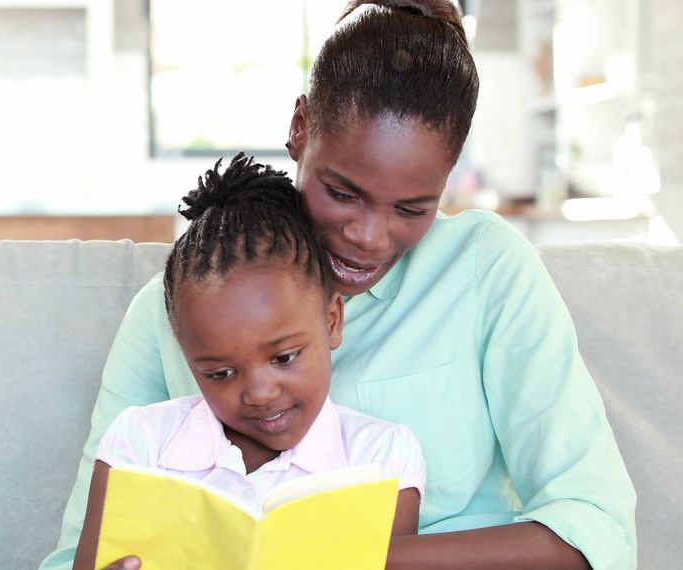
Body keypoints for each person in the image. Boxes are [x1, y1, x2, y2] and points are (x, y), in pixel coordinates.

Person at [42, 1, 637, 568]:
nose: (369, 237)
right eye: (343, 193)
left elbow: (595, 528)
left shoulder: (489, 269)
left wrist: (344, 556)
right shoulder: (174, 309)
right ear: (300, 127)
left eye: (412, 207)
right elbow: (79, 553)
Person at [73, 154, 426, 570]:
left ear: (332, 320)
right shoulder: (140, 443)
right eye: (220, 373)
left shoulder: (382, 458)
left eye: (284, 357)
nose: (259, 393)